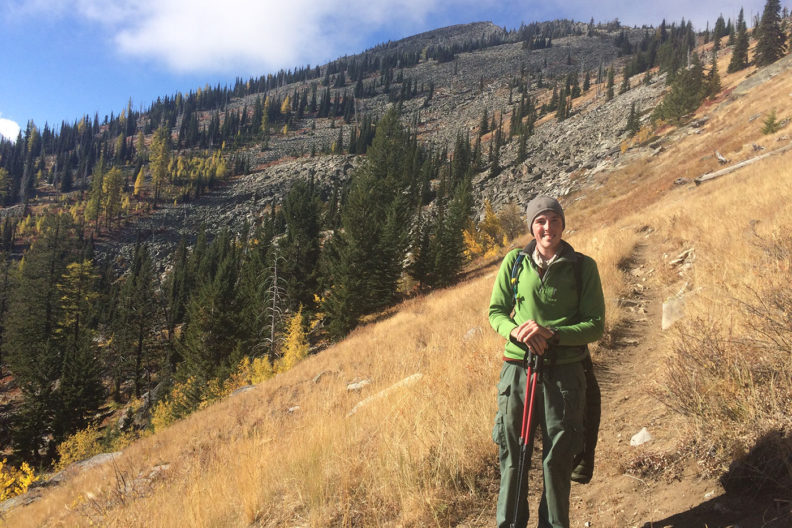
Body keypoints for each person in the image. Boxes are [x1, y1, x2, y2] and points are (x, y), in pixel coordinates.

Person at [489, 195, 605, 528]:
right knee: (513, 457)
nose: (547, 227)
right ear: (531, 227)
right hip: (517, 373)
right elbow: (496, 312)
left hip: (565, 374)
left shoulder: (583, 266)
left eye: (554, 220)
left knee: (558, 458)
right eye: (540, 221)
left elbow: (595, 325)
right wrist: (516, 333)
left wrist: (552, 333)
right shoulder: (514, 262)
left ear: (563, 225)